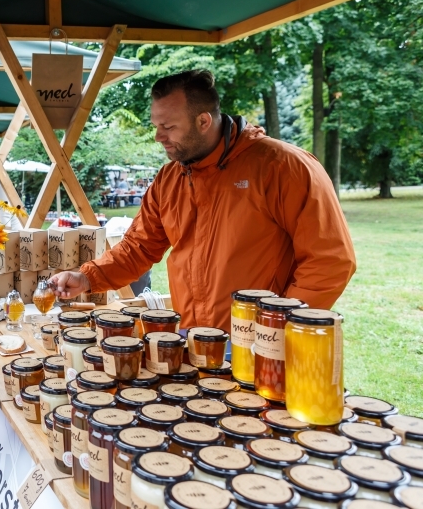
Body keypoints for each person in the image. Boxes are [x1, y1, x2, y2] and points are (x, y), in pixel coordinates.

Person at [52, 70, 356, 330]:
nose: (159, 137)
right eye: (156, 126)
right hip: (191, 335)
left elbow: (329, 260)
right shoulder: (169, 178)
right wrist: (86, 277)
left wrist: (279, 324)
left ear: (203, 121)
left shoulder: (282, 166)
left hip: (261, 339)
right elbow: (139, 248)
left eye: (168, 127)